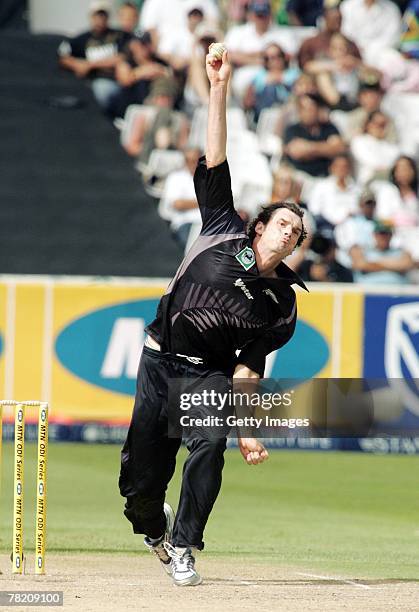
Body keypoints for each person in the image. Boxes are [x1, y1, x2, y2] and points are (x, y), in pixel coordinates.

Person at [119, 49, 308, 587]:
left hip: (207, 377)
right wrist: (217, 86)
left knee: (210, 444)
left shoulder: (282, 305)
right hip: (159, 359)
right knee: (139, 483)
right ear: (261, 226)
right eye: (283, 224)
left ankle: (184, 544)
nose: (290, 233)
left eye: (297, 232)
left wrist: (247, 428)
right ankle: (153, 529)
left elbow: (248, 370)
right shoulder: (223, 225)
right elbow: (216, 154)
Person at [57, 1, 129, 112]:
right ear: (91, 17)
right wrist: (76, 64)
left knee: (103, 89)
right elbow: (63, 56)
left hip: (116, 82)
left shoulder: (118, 36)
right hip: (93, 82)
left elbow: (121, 57)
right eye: (97, 16)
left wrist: (89, 64)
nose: (99, 20)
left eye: (103, 16)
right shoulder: (82, 38)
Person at [282, 93, 346, 178]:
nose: (307, 112)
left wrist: (308, 148)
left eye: (310, 109)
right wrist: (326, 148)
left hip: (327, 177)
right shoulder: (292, 129)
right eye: (303, 109)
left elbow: (339, 148)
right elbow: (297, 151)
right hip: (301, 178)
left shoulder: (329, 128)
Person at [350, 219, 413, 283]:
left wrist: (372, 264)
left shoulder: (401, 251)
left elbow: (406, 265)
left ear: (391, 235)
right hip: (368, 291)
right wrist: (395, 265)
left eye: (386, 233)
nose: (383, 237)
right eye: (381, 233)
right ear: (374, 235)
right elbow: (361, 265)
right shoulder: (364, 250)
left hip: (396, 291)